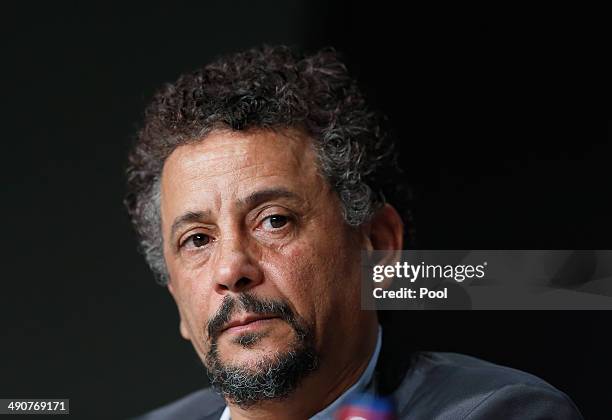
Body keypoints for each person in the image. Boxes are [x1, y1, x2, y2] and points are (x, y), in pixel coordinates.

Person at [125, 45, 583, 419]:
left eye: (273, 220)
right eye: (198, 240)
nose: (230, 269)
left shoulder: (501, 413)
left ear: (379, 248)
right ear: (176, 300)